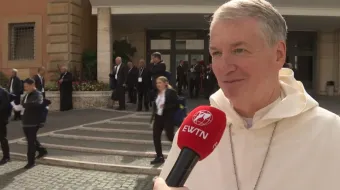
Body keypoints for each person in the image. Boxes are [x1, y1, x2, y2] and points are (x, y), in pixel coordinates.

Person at [154, 0, 340, 189]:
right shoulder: (196, 132)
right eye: (216, 53)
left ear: (278, 54)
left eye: (239, 50)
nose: (224, 67)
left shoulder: (331, 134)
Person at [21, 78, 47, 169]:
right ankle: (42, 150)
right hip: (25, 121)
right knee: (31, 139)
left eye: (26, 86)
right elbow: (23, 104)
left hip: (33, 122)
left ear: (32, 85)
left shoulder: (38, 94)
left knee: (31, 142)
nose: (25, 88)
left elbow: (38, 103)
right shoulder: (27, 94)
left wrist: (27, 104)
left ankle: (31, 162)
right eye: (24, 86)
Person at [150, 76, 178, 165]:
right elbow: (155, 105)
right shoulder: (157, 93)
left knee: (170, 136)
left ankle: (179, 151)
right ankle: (159, 156)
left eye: (160, 82)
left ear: (165, 83)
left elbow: (175, 105)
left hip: (168, 117)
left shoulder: (171, 92)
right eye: (157, 83)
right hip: (158, 117)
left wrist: (165, 107)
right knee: (156, 136)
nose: (158, 84)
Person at [0, 86, 10, 165]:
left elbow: (5, 106)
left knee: (2, 138)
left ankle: (6, 156)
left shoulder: (3, 92)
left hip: (1, 119)